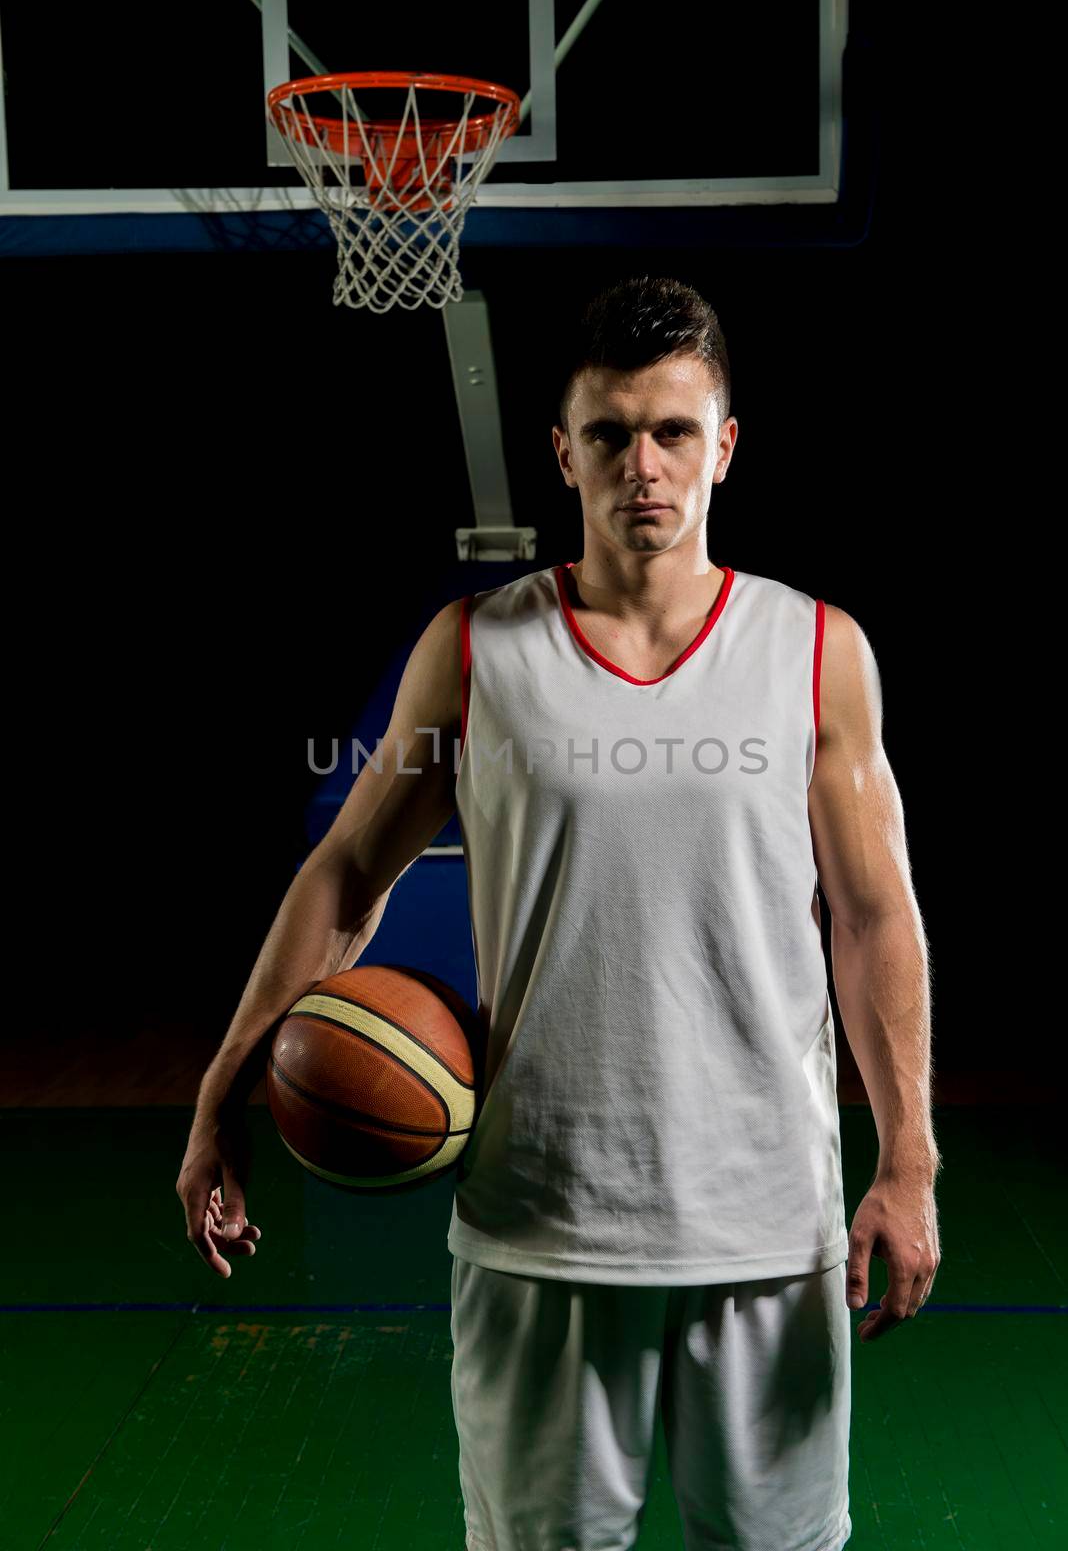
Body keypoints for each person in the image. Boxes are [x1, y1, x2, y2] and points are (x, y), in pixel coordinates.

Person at [177, 277, 941, 1551]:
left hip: (764, 1221)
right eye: (611, 434)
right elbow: (345, 875)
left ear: (726, 447)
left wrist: (908, 1159)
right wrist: (222, 1089)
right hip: (539, 1218)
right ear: (563, 450)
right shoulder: (476, 649)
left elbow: (876, 920)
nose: (644, 466)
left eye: (674, 432)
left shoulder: (817, 651)